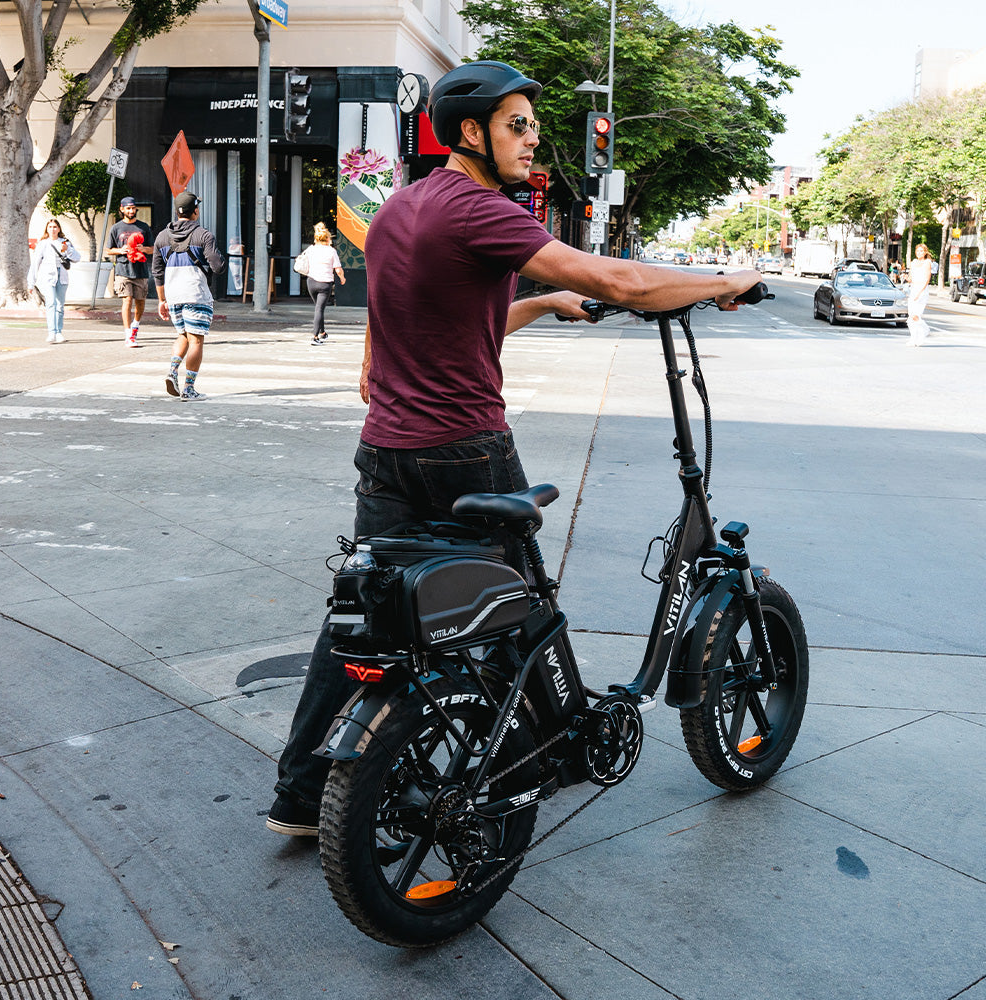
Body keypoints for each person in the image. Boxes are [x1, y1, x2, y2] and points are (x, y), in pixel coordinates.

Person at [266, 60, 763, 837]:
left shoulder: (400, 208)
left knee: (360, 613)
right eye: (517, 125)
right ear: (472, 133)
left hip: (388, 448)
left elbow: (435, 331)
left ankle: (299, 796)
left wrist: (539, 302)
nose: (534, 139)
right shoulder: (480, 209)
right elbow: (624, 282)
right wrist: (719, 278)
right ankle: (527, 763)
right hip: (465, 448)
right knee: (519, 611)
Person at [151, 191, 226, 400]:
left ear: (177, 211)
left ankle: (172, 371)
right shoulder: (204, 235)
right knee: (196, 341)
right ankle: (189, 388)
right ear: (195, 211)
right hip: (196, 293)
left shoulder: (162, 237)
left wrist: (161, 300)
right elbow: (218, 267)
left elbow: (157, 271)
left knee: (183, 334)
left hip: (173, 295)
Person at [107, 196, 154, 347]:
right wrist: (121, 250)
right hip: (123, 270)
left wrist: (143, 249)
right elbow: (108, 250)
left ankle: (135, 325)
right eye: (128, 208)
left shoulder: (143, 227)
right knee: (127, 300)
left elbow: (153, 249)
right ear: (122, 209)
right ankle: (128, 334)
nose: (131, 211)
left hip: (140, 271)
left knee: (140, 302)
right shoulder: (116, 228)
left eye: (133, 208)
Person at [27, 219, 81, 344]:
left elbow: (77, 258)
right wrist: (31, 282)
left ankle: (58, 332)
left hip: (62, 277)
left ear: (59, 229)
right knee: (51, 303)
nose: (53, 229)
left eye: (55, 227)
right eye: (50, 227)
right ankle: (52, 332)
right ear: (47, 229)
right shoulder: (43, 244)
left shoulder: (65, 242)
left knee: (60, 306)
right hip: (48, 277)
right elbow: (35, 264)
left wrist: (68, 249)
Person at [299, 222, 345, 345]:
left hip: (311, 282)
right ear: (327, 238)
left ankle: (322, 332)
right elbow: (338, 269)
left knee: (319, 309)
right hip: (324, 284)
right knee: (319, 309)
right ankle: (315, 337)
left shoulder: (311, 249)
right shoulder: (331, 251)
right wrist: (342, 278)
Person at [907, 244, 933, 347]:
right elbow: (910, 278)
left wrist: (920, 292)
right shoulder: (913, 262)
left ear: (925, 252)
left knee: (916, 315)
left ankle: (924, 331)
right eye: (918, 251)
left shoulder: (927, 263)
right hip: (913, 289)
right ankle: (913, 338)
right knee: (910, 316)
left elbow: (927, 279)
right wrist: (906, 277)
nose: (919, 253)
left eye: (921, 251)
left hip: (922, 290)